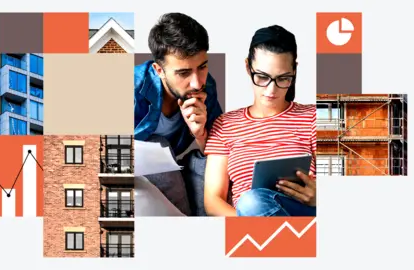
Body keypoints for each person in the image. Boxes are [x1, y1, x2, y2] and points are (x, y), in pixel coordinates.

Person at [203, 25, 317, 217]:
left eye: (283, 78)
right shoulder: (225, 124)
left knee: (251, 201)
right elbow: (213, 201)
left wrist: (320, 197)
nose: (271, 90)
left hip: (303, 214)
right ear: (248, 67)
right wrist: (249, 221)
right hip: (248, 220)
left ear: (294, 71)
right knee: (251, 201)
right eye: (262, 77)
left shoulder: (313, 117)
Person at [134, 12, 223, 216]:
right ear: (159, 70)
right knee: (158, 144)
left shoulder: (206, 86)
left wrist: (200, 134)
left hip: (175, 165)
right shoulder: (130, 88)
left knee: (212, 164)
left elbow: (219, 148)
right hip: (136, 173)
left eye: (202, 67)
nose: (197, 82)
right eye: (183, 73)